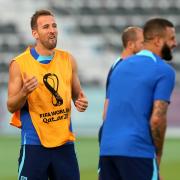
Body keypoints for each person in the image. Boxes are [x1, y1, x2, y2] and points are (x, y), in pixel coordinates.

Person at [7, 10, 88, 180]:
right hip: (35, 145)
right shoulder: (20, 64)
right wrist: (24, 92)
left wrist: (80, 102)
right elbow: (11, 106)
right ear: (35, 33)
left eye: (54, 26)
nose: (52, 30)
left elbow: (77, 95)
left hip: (64, 144)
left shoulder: (68, 59)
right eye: (46, 27)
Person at [99, 18, 177, 180]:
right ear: (157, 41)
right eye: (171, 38)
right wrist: (158, 157)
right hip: (137, 151)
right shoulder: (163, 71)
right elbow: (157, 119)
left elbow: (106, 113)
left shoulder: (119, 67)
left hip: (107, 150)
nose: (175, 43)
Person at [98, 26, 144, 179]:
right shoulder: (123, 68)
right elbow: (108, 110)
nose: (145, 47)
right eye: (142, 42)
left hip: (113, 135)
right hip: (120, 136)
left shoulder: (118, 65)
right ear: (131, 44)